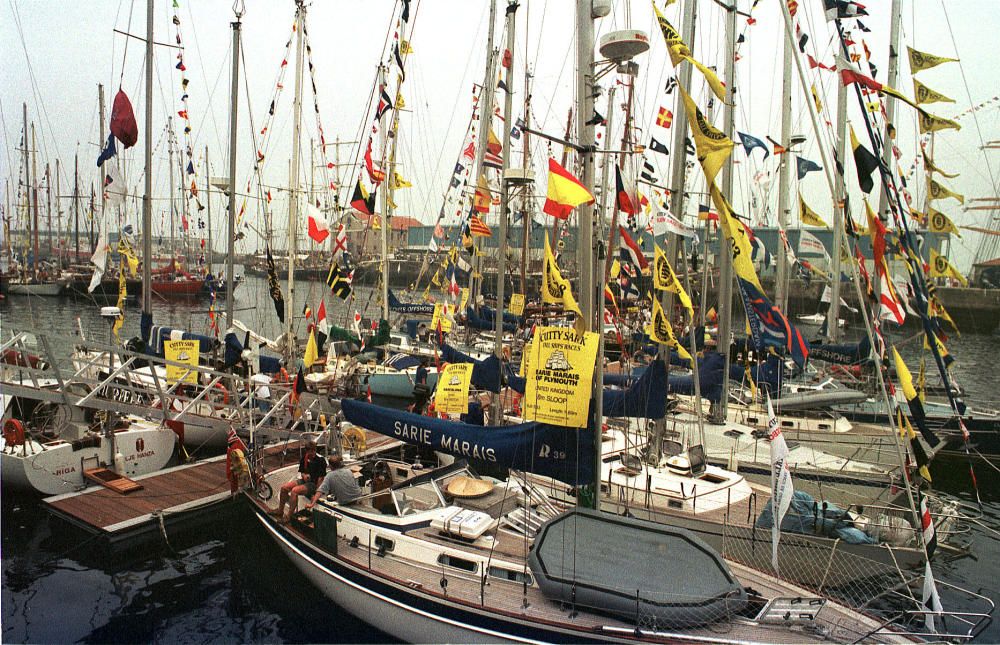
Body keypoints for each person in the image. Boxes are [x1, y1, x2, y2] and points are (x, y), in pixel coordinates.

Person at [270, 435, 327, 521]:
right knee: (284, 488)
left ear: (314, 450)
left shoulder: (320, 461)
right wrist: (304, 476)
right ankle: (280, 510)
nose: (309, 454)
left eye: (311, 451)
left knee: (294, 491)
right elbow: (302, 471)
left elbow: (321, 478)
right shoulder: (305, 458)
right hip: (305, 481)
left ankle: (289, 516)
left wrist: (316, 492)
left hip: (313, 484)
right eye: (308, 451)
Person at [225, 428, 250, 495]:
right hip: (235, 467)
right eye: (246, 439)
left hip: (237, 464)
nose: (247, 441)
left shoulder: (236, 444)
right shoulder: (237, 446)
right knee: (235, 483)